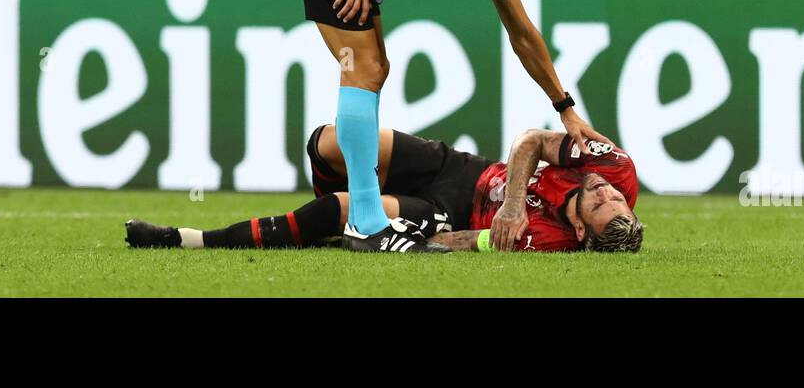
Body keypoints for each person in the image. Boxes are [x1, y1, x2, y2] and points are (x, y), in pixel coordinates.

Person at [282, 0, 598, 252]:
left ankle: (364, 216)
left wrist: (565, 108)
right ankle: (365, 223)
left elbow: (523, 35)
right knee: (363, 67)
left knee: (373, 67)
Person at [125, 126, 642, 253]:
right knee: (330, 142)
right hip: (461, 167)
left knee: (336, 208)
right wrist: (510, 204)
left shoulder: (553, 241)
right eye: (614, 198)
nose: (605, 193)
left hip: (446, 211)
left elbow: (467, 242)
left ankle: (186, 239)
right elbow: (533, 139)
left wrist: (419, 241)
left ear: (579, 229)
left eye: (600, 205)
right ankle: (329, 228)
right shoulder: (615, 170)